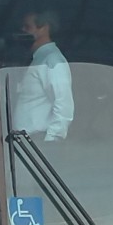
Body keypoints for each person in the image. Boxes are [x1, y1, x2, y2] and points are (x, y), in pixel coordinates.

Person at [12, 8, 74, 144]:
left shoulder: (52, 60)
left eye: (27, 27)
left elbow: (63, 104)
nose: (22, 30)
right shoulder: (37, 59)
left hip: (39, 142)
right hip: (25, 142)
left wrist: (51, 139)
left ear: (44, 28)